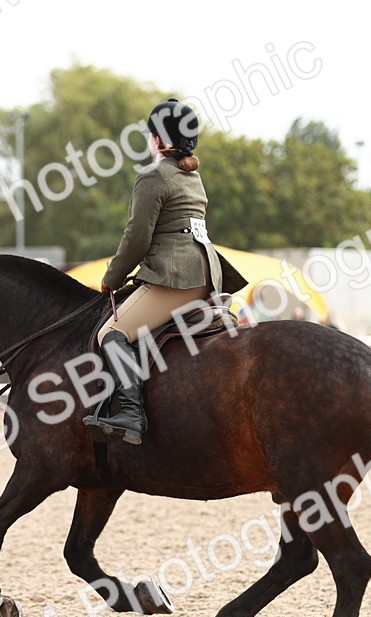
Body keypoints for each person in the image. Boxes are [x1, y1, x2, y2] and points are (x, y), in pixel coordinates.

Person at [83, 98, 248, 446]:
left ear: (159, 140)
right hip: (207, 273)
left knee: (112, 333)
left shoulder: (154, 176)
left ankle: (130, 413)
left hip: (176, 276)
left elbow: (137, 238)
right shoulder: (192, 176)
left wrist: (112, 277)